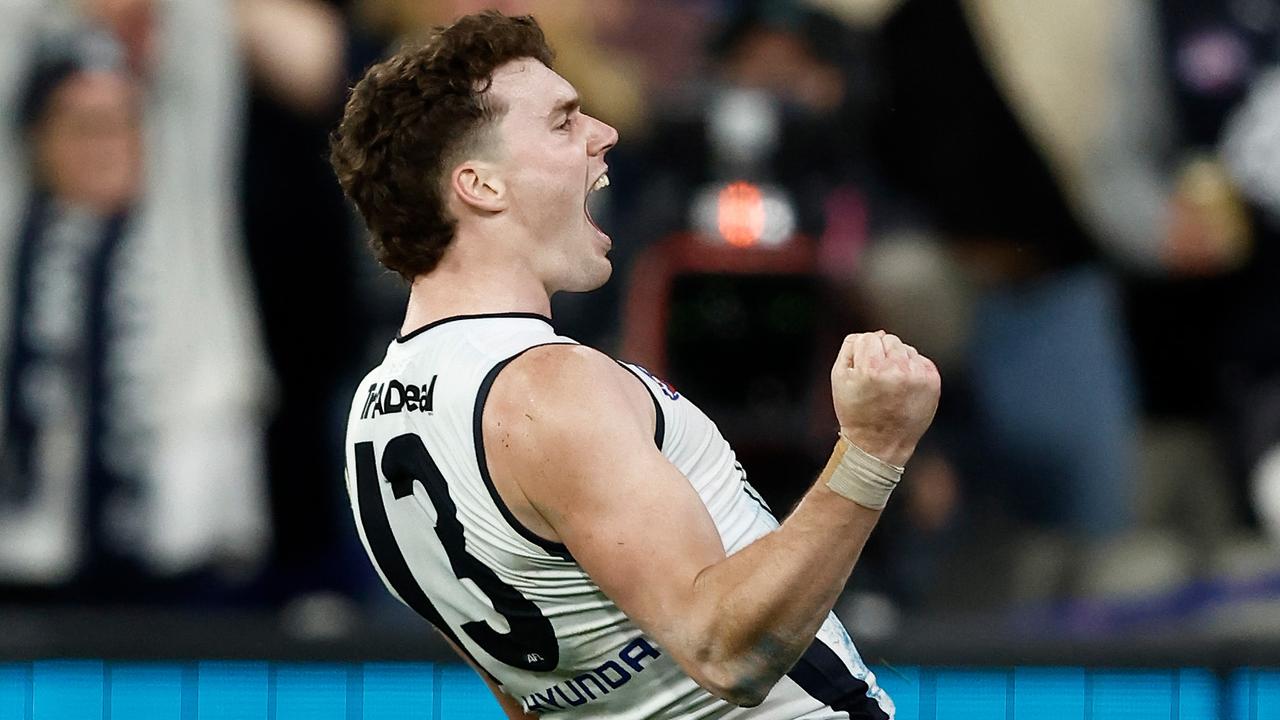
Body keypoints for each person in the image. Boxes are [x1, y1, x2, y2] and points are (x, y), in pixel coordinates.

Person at [330, 12, 939, 719]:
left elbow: (530, 698)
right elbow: (724, 654)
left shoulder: (369, 424)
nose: (604, 132)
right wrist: (873, 447)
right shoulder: (549, 389)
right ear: (481, 186)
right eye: (562, 123)